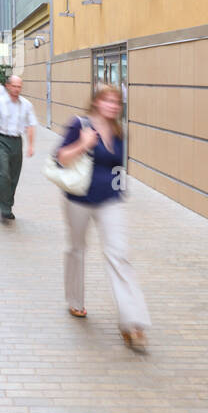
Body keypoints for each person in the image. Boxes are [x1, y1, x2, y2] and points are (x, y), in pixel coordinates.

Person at [56, 85, 151, 351]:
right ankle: (75, 300)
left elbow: (119, 165)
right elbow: (61, 157)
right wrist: (82, 144)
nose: (112, 105)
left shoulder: (120, 132)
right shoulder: (80, 124)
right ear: (96, 102)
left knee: (119, 256)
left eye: (116, 102)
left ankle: (132, 322)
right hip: (78, 199)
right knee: (76, 249)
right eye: (107, 100)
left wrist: (121, 190)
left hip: (110, 202)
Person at [0, 75, 36, 223]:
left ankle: (8, 204)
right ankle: (4, 209)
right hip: (1, 141)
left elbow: (31, 125)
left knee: (14, 176)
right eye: (14, 86)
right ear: (8, 86)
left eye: (19, 86)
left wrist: (31, 145)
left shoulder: (26, 104)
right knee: (4, 174)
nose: (16, 89)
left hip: (17, 142)